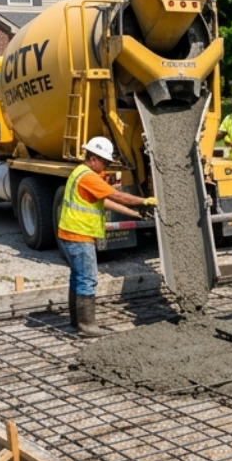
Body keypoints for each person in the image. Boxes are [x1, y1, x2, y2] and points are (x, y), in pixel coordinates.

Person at [57, 136, 153, 337]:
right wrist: (144, 201)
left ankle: (77, 322)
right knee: (88, 279)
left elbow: (105, 203)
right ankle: (87, 326)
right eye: (105, 162)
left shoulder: (80, 173)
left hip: (70, 234)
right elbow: (115, 196)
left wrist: (136, 213)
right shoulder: (88, 176)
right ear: (93, 158)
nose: (106, 166)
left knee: (77, 278)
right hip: (79, 235)